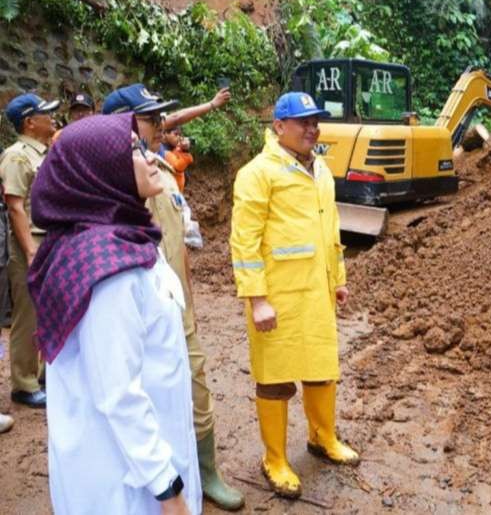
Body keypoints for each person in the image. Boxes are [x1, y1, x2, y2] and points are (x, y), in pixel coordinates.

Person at [26, 113, 200, 514]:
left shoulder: (125, 236)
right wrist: (168, 490)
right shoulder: (109, 271)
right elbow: (119, 394)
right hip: (125, 483)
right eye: (134, 151)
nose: (151, 158)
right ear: (101, 172)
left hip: (140, 457)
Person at [102, 83, 245, 510]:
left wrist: (190, 302)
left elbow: (177, 240)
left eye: (159, 115)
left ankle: (206, 471)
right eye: (150, 118)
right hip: (138, 314)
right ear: (123, 126)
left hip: (174, 305)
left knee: (196, 390)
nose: (161, 123)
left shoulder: (159, 170)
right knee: (144, 401)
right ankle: (156, 485)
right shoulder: (112, 181)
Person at [230, 92, 359, 499]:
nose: (312, 128)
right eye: (303, 122)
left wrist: (337, 279)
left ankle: (322, 438)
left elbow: (331, 229)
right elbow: (244, 242)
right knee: (276, 380)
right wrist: (257, 300)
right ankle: (274, 459)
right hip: (278, 299)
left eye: (315, 121)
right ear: (279, 126)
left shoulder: (319, 169)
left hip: (316, 293)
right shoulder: (257, 173)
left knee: (322, 368)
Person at [0, 93, 58, 409]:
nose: (53, 118)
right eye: (45, 114)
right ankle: (23, 383)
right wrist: (31, 252)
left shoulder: (43, 153)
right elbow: (15, 207)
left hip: (48, 243)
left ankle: (42, 372)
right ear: (29, 122)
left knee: (48, 310)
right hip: (30, 246)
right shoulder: (16, 156)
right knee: (28, 315)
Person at [163, 127, 194, 192]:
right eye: (176, 134)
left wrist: (185, 150)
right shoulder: (163, 150)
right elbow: (177, 166)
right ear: (165, 133)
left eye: (180, 135)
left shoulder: (176, 148)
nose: (178, 137)